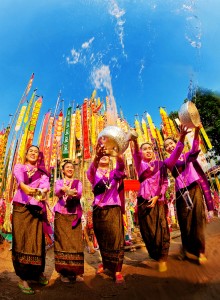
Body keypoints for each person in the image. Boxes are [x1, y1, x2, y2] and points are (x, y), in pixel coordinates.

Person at [131, 125, 189, 272]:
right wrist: (136, 142)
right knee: (147, 231)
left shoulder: (161, 164)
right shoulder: (140, 165)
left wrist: (181, 137)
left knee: (162, 229)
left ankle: (163, 257)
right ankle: (155, 254)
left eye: (150, 148)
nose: (148, 150)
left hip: (159, 200)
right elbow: (135, 154)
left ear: (154, 151)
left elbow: (164, 181)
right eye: (144, 149)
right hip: (143, 201)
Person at [164, 125, 214, 264]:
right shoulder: (168, 161)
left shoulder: (187, 156)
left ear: (175, 143)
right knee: (184, 223)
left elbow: (195, 148)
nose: (169, 146)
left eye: (171, 143)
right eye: (166, 145)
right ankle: (186, 249)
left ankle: (200, 251)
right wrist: (181, 137)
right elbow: (175, 156)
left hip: (194, 188)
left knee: (197, 220)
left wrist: (196, 131)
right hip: (181, 193)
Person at [12, 145, 51, 295]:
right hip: (21, 207)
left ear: (39, 156)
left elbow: (45, 186)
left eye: (36, 152)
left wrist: (41, 191)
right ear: (26, 154)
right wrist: (23, 186)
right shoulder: (20, 167)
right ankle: (23, 278)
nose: (33, 153)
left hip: (35, 208)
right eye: (31, 151)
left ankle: (37, 273)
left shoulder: (43, 173)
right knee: (22, 240)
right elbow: (19, 177)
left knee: (36, 240)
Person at [87, 144, 126, 284]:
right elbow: (91, 168)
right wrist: (97, 155)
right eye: (101, 155)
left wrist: (117, 154)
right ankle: (105, 263)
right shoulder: (93, 173)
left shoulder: (114, 173)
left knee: (116, 239)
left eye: (106, 155)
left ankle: (117, 270)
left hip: (113, 209)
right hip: (98, 210)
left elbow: (121, 167)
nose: (104, 156)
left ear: (110, 159)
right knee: (102, 240)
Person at [54, 160, 84, 283]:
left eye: (72, 167)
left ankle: (76, 272)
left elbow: (80, 193)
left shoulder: (78, 182)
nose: (70, 169)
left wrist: (72, 193)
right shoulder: (59, 182)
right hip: (61, 215)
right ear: (63, 170)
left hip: (74, 215)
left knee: (76, 243)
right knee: (62, 242)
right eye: (67, 167)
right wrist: (64, 190)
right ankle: (64, 273)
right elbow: (57, 192)